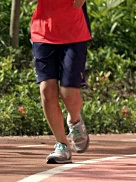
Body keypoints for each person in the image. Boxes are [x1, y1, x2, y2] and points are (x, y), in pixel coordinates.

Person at [31, 0, 91, 164]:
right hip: (43, 33)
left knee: (69, 94)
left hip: (73, 35)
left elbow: (78, 3)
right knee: (46, 91)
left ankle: (74, 120)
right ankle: (62, 144)